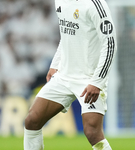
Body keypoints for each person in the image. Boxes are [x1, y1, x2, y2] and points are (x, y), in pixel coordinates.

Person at [24, 0, 117, 149]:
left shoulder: (95, 4)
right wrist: (55, 64)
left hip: (89, 78)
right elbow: (68, 34)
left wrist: (97, 81)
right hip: (64, 76)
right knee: (32, 120)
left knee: (92, 132)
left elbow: (110, 43)